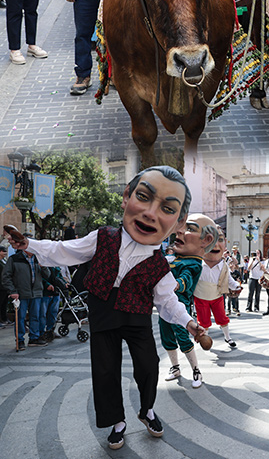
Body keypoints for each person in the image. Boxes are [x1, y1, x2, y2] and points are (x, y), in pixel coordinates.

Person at [5, 167, 208, 448]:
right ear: (126, 197)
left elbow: (167, 301)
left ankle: (147, 410)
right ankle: (117, 422)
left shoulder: (161, 265)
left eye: (167, 208)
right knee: (105, 370)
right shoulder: (103, 237)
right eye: (143, 197)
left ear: (178, 222)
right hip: (103, 310)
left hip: (137, 315)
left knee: (149, 365)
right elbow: (65, 250)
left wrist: (189, 323)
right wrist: (30, 244)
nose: (150, 213)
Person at [159, 213, 219, 389]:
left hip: (180, 307)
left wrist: (175, 284)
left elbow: (186, 280)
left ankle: (196, 370)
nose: (179, 231)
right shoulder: (174, 259)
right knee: (166, 337)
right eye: (181, 227)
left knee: (183, 338)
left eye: (189, 228)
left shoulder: (193, 263)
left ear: (206, 240)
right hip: (165, 305)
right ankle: (175, 367)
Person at [193, 231, 240, 346]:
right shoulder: (198, 263)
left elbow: (229, 280)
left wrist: (237, 286)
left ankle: (227, 337)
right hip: (200, 296)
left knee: (222, 318)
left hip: (217, 295)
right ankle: (206, 340)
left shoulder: (223, 266)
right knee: (203, 320)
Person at [2, 241, 46, 348]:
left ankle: (34, 338)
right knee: (20, 317)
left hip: (36, 293)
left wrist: (43, 266)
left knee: (35, 316)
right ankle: (20, 340)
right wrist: (12, 291)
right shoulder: (14, 259)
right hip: (20, 293)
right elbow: (6, 276)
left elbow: (47, 275)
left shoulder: (38, 259)